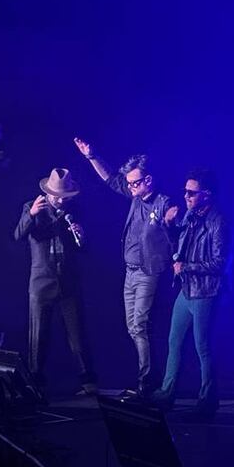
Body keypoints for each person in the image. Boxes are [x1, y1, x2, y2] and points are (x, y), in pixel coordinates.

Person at [73, 138, 177, 397]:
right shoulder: (134, 196)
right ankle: (147, 375)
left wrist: (169, 222)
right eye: (129, 184)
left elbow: (176, 222)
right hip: (130, 271)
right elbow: (110, 179)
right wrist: (91, 155)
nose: (130, 188)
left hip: (149, 271)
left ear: (148, 180)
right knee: (132, 326)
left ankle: (147, 381)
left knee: (140, 325)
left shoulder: (162, 202)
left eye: (135, 183)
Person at [13, 168, 97, 396]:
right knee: (38, 335)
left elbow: (86, 249)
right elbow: (18, 235)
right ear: (48, 192)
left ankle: (88, 382)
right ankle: (35, 382)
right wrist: (30, 214)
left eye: (65, 197)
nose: (61, 200)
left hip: (68, 280)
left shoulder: (74, 211)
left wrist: (82, 235)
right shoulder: (34, 206)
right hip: (42, 281)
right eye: (57, 196)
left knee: (77, 335)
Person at [152, 169, 229, 416]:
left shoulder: (218, 222)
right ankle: (166, 392)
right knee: (174, 341)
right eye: (185, 191)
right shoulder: (191, 215)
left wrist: (187, 267)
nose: (186, 196)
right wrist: (168, 225)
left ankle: (208, 399)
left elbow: (219, 263)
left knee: (203, 347)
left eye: (191, 192)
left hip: (206, 292)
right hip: (186, 289)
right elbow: (179, 242)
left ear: (206, 194)